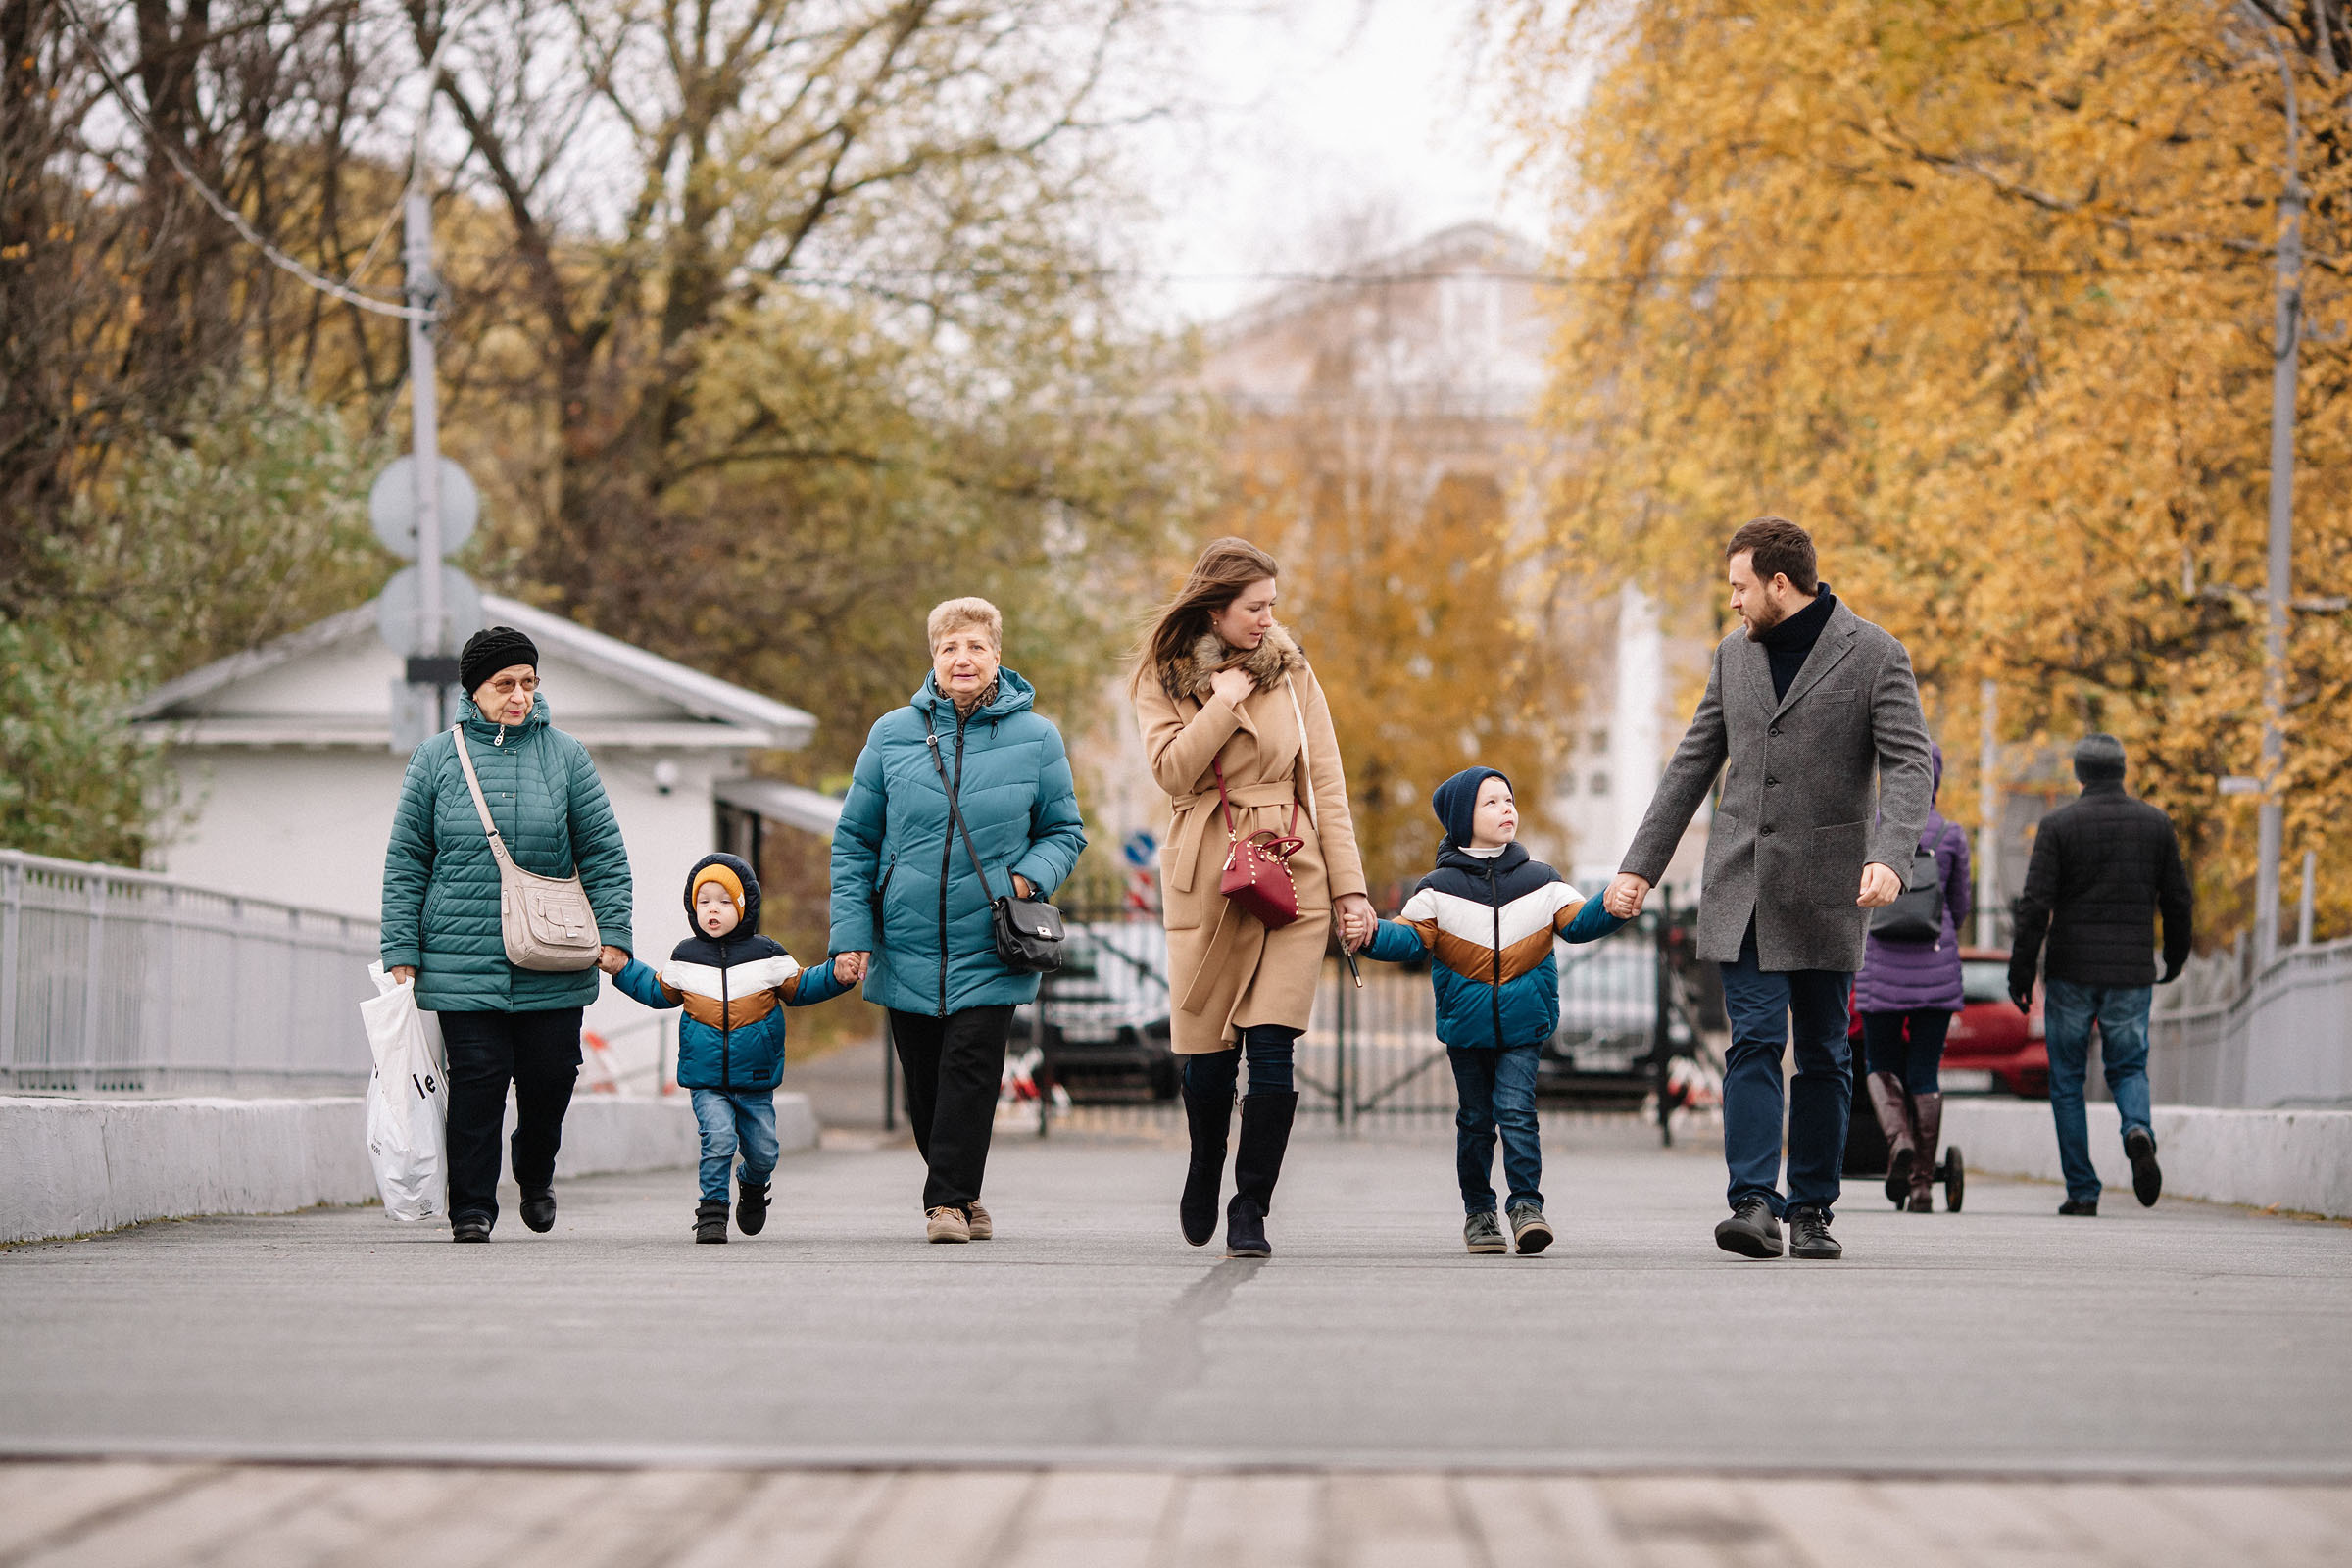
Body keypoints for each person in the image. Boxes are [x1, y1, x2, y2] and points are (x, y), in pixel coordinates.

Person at [1605, 516, 1934, 1262]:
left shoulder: (1877, 655)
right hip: (1743, 880)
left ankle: (1812, 1207)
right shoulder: (1732, 657)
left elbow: (1909, 766)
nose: (1732, 602)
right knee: (1754, 1040)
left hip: (1829, 886)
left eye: (1739, 587)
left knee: (1823, 1052)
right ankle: (1754, 1202)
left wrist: (1891, 854)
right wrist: (1639, 866)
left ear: (1779, 585)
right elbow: (1693, 762)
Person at [1131, 537, 1374, 1260]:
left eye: (1273, 605)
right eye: (1255, 608)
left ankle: (1252, 1207)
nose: (1270, 620)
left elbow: (1324, 781)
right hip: (1210, 867)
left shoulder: (1292, 671)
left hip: (1291, 869)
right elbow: (1173, 773)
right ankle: (1206, 1163)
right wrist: (1221, 704)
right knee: (1209, 1056)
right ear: (1216, 607)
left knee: (1272, 1048)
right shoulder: (1165, 676)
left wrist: (1350, 888)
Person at [829, 597, 1087, 1244]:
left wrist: (1022, 879)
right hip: (906, 937)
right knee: (924, 1087)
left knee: (971, 1070)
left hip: (989, 942)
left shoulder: (1038, 738)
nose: (962, 659)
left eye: (974, 646)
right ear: (933, 659)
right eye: (949, 648)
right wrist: (853, 936)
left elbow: (1064, 832)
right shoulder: (892, 734)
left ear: (997, 654)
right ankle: (963, 1194)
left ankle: (945, 1201)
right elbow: (854, 842)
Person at [380, 625, 634, 1243]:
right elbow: (408, 858)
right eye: (504, 685)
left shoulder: (567, 757)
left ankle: (534, 1166)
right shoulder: (436, 759)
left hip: (554, 953)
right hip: (461, 957)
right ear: (475, 691)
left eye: (528, 682)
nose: (519, 696)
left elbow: (604, 852)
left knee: (552, 1076)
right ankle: (471, 1206)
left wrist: (616, 933)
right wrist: (401, 948)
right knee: (478, 1080)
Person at [1361, 768, 1625, 1254]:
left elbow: (1578, 922)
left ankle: (1526, 1206)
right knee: (1476, 1120)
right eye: (1492, 802)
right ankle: (1479, 1212)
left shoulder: (1542, 881)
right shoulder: (1437, 888)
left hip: (1525, 1024)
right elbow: (1407, 938)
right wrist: (1370, 934)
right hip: (1467, 1027)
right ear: (1463, 820)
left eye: (1510, 798)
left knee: (1517, 1111)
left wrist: (1611, 905)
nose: (1508, 809)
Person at [601, 854, 855, 1242]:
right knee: (718, 1138)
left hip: (755, 1079)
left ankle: (752, 1185)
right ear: (693, 909)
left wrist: (837, 975)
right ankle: (712, 1212)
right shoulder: (686, 957)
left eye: (722, 901)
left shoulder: (768, 954)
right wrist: (622, 968)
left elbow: (802, 986)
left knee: (765, 1151)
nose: (712, 909)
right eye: (704, 902)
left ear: (742, 907)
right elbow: (657, 990)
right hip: (706, 1080)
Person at [2007, 733, 2193, 1216]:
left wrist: (2021, 972)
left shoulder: (2058, 825)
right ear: (2122, 770)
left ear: (2079, 773)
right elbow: (2177, 899)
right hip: (2131, 969)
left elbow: (2035, 906)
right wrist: (2175, 956)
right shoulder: (2155, 824)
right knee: (2129, 1066)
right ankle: (2137, 1129)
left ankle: (2083, 1190)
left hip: (2071, 970)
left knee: (2067, 1080)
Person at [1852, 742, 1973, 1212]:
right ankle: (1922, 1185)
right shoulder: (1952, 834)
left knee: (1879, 1062)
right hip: (1936, 972)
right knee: (1924, 1071)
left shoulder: (1871, 832)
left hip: (1880, 968)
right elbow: (1959, 907)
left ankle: (1898, 1140)